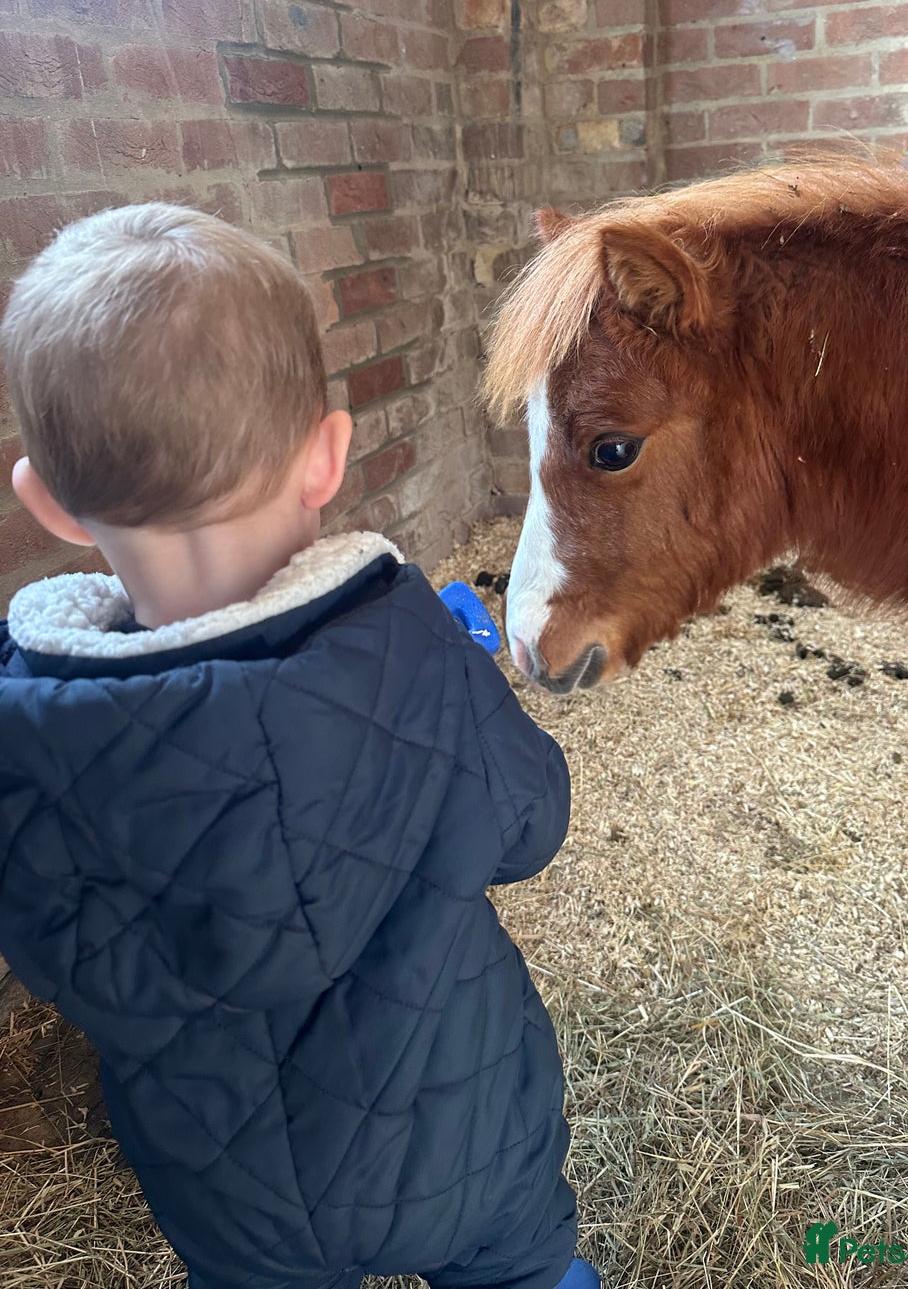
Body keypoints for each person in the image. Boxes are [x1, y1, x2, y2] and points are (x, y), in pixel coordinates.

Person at [0, 203, 600, 1289]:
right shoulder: (413, 648)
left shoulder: (29, 736)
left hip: (233, 1198)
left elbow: (51, 946)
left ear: (49, 502)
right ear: (328, 456)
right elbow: (530, 822)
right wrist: (462, 682)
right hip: (464, 1132)